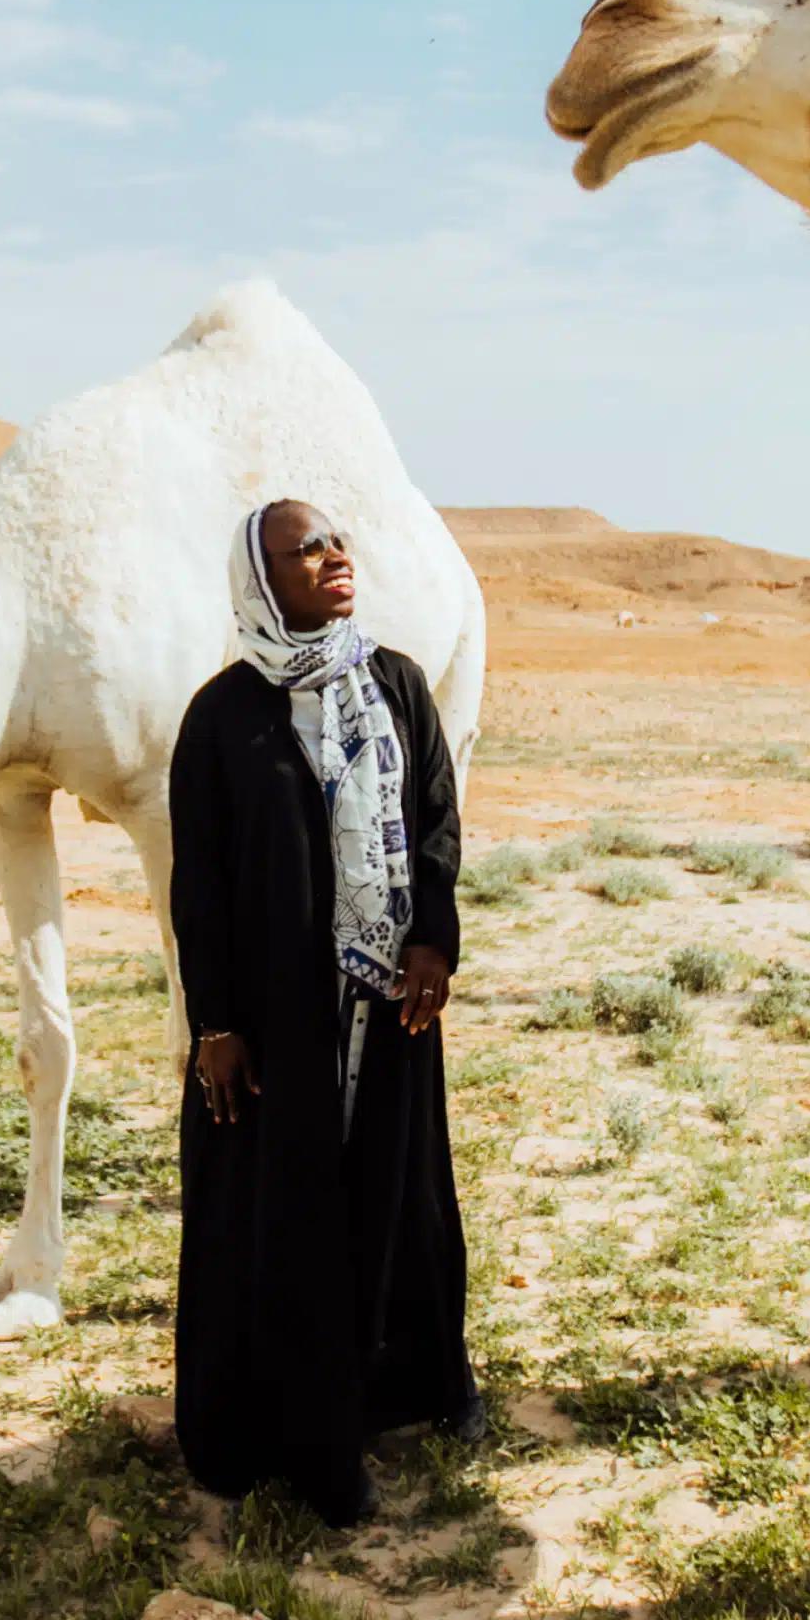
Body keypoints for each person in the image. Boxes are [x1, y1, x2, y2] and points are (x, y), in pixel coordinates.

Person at [167, 498, 480, 1525]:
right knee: (282, 1216)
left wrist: (433, 937)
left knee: (398, 1196)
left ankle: (411, 1387)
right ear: (261, 582)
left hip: (389, 1007)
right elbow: (199, 884)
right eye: (305, 548)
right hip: (275, 1026)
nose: (333, 555)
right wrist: (214, 1025)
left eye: (337, 540)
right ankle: (292, 1439)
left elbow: (435, 816)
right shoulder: (222, 717)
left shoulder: (394, 681)